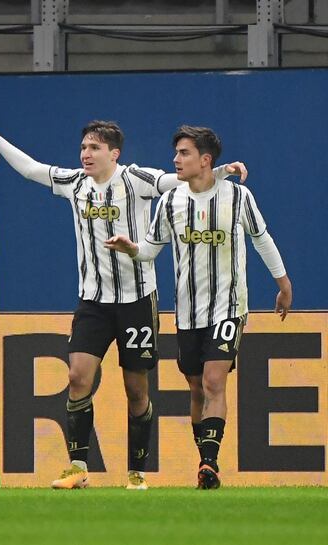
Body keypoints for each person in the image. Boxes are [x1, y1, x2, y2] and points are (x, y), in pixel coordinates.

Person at [0, 95, 247, 490]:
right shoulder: (74, 184)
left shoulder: (135, 179)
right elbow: (32, 169)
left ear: (114, 153)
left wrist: (218, 171)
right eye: (83, 147)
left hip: (137, 301)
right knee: (78, 375)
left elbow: (179, 180)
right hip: (93, 302)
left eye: (94, 148)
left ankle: (135, 470)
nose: (85, 153)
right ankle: (77, 466)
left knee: (137, 390)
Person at [105, 125, 292, 489]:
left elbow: (261, 238)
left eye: (184, 153)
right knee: (195, 388)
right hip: (188, 312)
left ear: (205, 160)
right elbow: (149, 250)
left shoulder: (239, 198)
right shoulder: (170, 202)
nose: (175, 159)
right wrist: (131, 248)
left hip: (228, 306)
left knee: (212, 380)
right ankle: (205, 461)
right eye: (176, 152)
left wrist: (283, 283)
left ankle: (209, 463)